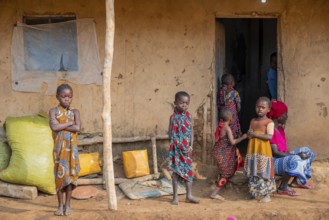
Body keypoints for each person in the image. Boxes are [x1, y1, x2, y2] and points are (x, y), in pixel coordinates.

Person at [268, 101, 315, 196]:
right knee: (296, 159)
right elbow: (275, 153)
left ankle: (297, 181)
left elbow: (285, 151)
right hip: (274, 162)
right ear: (279, 115)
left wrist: (295, 154)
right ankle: (283, 187)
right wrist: (296, 155)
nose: (287, 117)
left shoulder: (280, 130)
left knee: (307, 151)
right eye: (285, 114)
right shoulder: (271, 131)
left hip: (282, 158)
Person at [49, 84, 81, 216]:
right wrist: (69, 123)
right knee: (59, 177)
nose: (67, 99)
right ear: (57, 97)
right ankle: (59, 205)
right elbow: (54, 127)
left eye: (69, 97)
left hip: (71, 152)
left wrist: (61, 125)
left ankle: (68, 205)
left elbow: (77, 128)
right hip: (59, 150)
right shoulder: (53, 111)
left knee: (69, 177)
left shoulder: (75, 112)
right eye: (63, 96)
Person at [168, 91, 199, 205]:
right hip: (176, 151)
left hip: (186, 151)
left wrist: (191, 146)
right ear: (175, 103)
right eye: (182, 103)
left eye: (187, 103)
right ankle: (175, 197)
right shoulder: (173, 117)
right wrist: (174, 146)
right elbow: (170, 133)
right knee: (176, 173)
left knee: (188, 172)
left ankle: (189, 195)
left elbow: (191, 132)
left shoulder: (189, 116)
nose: (184, 105)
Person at [244, 97, 276, 203]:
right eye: (258, 107)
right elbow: (249, 133)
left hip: (263, 151)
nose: (260, 109)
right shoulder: (252, 121)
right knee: (253, 170)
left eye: (263, 107)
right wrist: (249, 135)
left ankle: (267, 195)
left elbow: (269, 137)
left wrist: (255, 135)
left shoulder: (269, 122)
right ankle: (253, 193)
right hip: (253, 150)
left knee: (264, 172)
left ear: (268, 110)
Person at [210, 109, 247, 200]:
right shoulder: (227, 128)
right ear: (231, 119)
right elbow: (233, 142)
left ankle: (217, 187)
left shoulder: (221, 125)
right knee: (226, 174)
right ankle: (214, 193)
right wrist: (244, 137)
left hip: (218, 152)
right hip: (222, 154)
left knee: (225, 171)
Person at [218, 73, 242, 138]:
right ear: (232, 82)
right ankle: (232, 138)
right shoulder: (234, 92)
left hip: (222, 112)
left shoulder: (220, 91)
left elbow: (219, 103)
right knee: (232, 127)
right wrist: (237, 111)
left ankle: (224, 138)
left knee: (223, 126)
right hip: (232, 114)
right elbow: (238, 105)